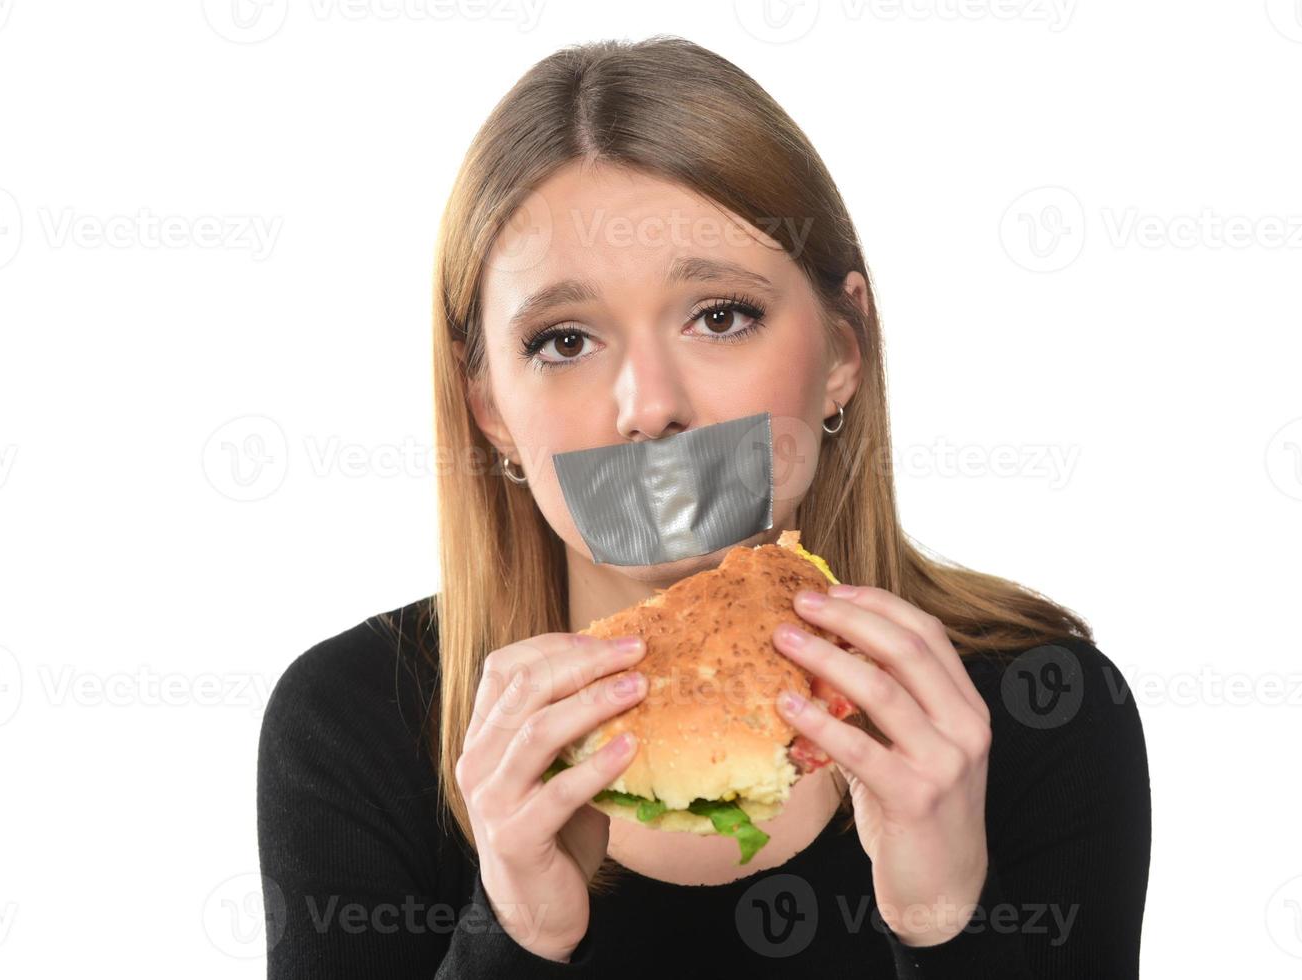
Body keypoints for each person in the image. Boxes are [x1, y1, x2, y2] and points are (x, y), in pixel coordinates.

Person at [257, 35, 1151, 978]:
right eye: (565, 340)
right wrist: (512, 938)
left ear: (844, 351)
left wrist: (952, 923)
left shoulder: (1039, 710)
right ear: (491, 412)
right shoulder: (352, 723)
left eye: (720, 315)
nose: (650, 407)